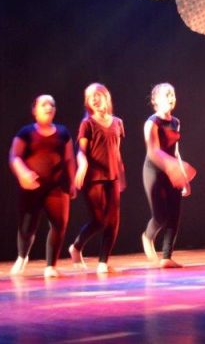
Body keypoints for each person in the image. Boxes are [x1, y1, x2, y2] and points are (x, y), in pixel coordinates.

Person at [9, 95, 76, 278]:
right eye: (44, 104)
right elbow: (14, 156)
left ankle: (50, 265)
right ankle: (22, 256)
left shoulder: (63, 132)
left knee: (59, 224)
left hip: (57, 186)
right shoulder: (26, 132)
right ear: (35, 110)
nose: (49, 107)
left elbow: (69, 159)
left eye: (52, 105)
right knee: (27, 227)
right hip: (32, 187)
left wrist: (72, 182)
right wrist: (23, 173)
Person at [69, 83, 125, 274]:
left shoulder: (117, 123)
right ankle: (76, 247)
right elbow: (81, 151)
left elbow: (116, 151)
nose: (94, 98)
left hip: (113, 177)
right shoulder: (87, 124)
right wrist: (82, 164)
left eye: (98, 94)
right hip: (93, 178)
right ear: (87, 102)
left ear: (106, 97)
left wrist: (121, 173)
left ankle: (103, 262)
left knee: (114, 221)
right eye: (90, 96)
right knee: (100, 220)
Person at [141, 83, 195, 268]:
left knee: (174, 214)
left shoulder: (176, 122)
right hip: (154, 171)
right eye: (167, 95)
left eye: (173, 94)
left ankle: (166, 256)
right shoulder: (151, 123)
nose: (171, 98)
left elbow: (175, 151)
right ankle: (147, 236)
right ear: (155, 100)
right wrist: (171, 168)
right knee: (160, 216)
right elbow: (153, 152)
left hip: (173, 170)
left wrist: (183, 177)